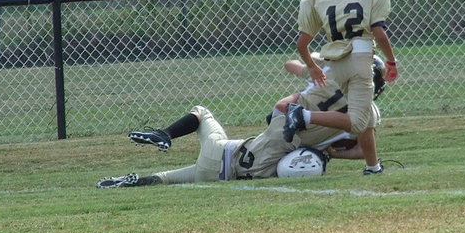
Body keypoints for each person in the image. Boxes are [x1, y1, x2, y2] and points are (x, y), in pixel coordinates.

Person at [96, 57, 386, 188]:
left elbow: (285, 84)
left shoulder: (326, 78)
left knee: (201, 112)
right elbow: (365, 149)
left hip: (225, 154)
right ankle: (146, 178)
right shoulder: (365, 110)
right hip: (236, 169)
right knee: (172, 178)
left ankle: (165, 135)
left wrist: (310, 68)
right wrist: (342, 155)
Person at [282, 0, 398, 176]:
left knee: (364, 118)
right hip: (361, 60)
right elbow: (380, 33)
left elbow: (301, 45)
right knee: (357, 121)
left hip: (335, 63)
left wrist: (313, 68)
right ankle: (302, 115)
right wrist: (391, 61)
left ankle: (373, 167)